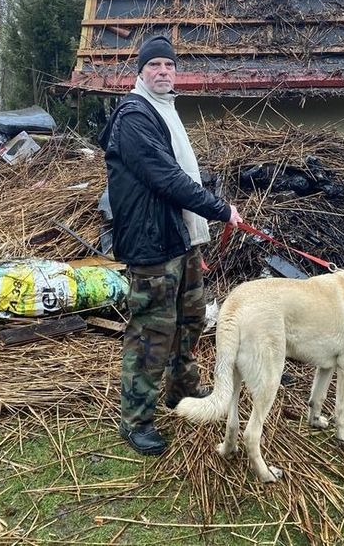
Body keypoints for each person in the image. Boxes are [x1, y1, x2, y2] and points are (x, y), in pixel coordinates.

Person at [99, 35, 242, 456]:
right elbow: (166, 177)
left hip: (183, 240)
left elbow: (184, 173)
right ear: (140, 71)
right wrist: (220, 209)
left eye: (168, 64)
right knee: (151, 333)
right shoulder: (134, 116)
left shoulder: (166, 108)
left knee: (191, 320)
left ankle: (182, 392)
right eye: (154, 65)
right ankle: (136, 421)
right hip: (152, 245)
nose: (163, 71)